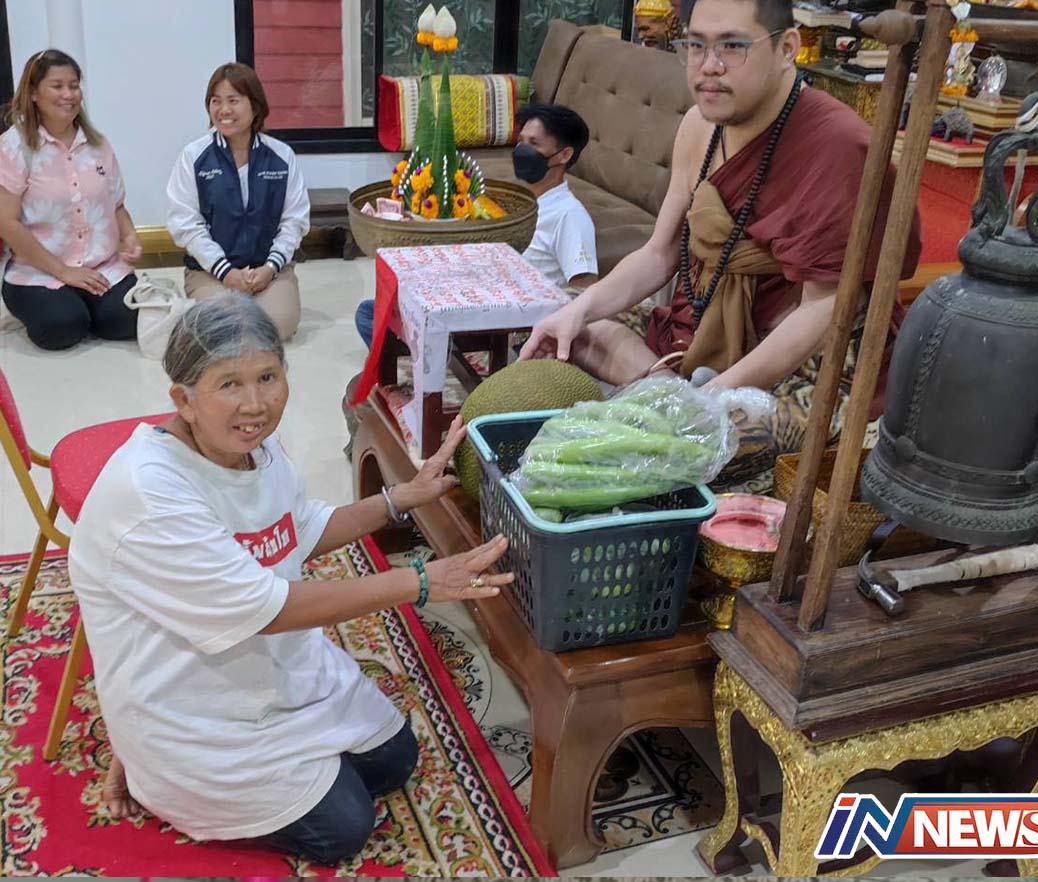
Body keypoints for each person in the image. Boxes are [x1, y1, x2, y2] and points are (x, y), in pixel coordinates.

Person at [68, 294, 512, 865]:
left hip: (269, 669)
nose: (255, 404)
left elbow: (296, 529)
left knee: (394, 761)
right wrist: (421, 581)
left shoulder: (255, 447)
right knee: (345, 827)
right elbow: (271, 609)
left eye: (268, 377)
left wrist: (400, 498)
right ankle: (155, 772)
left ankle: (290, 761)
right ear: (183, 400)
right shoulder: (152, 495)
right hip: (188, 708)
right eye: (228, 384)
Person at [520, 0, 920, 483]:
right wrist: (579, 311)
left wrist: (715, 396)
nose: (709, 66)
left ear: (786, 48)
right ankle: (665, 387)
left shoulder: (838, 145)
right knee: (560, 323)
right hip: (702, 326)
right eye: (696, 46)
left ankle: (671, 397)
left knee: (697, 448)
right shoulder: (698, 126)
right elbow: (660, 253)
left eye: (732, 46)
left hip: (805, 366)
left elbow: (824, 307)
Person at [353, 103, 597, 348]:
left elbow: (584, 287)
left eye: (534, 144)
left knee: (378, 319)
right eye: (521, 141)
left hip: (507, 324)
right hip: (478, 300)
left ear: (564, 155)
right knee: (371, 311)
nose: (522, 151)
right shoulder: (520, 202)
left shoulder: (569, 215)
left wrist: (539, 323)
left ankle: (448, 352)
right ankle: (436, 349)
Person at [0, 49, 141, 350]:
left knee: (125, 321)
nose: (68, 94)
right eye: (57, 86)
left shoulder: (98, 144)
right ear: (33, 93)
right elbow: (6, 223)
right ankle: (62, 306)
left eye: (74, 86)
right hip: (39, 272)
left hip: (101, 268)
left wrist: (129, 236)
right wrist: (63, 272)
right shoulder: (13, 146)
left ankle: (86, 306)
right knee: (62, 328)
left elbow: (116, 205)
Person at [166, 63, 309, 341]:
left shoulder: (281, 156)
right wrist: (225, 271)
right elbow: (186, 224)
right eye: (215, 101)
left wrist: (270, 268)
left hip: (269, 270)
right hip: (210, 272)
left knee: (278, 326)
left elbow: (294, 220)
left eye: (233, 100)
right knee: (224, 329)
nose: (224, 110)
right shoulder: (193, 157)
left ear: (255, 106)